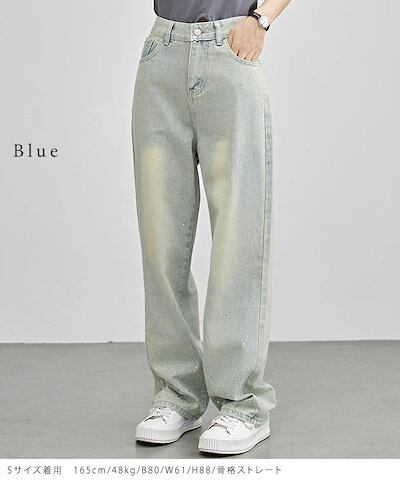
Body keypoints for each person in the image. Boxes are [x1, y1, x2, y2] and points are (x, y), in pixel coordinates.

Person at [131, 0, 291, 455]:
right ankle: (177, 396)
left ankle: (243, 404)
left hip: (230, 49)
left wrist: (260, 20)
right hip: (161, 52)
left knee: (238, 237)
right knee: (161, 241)